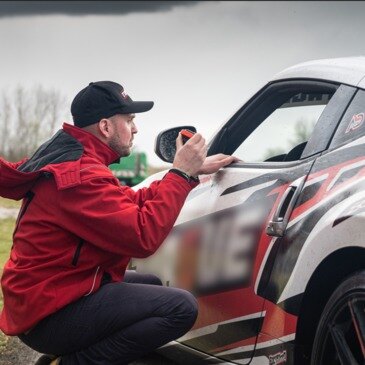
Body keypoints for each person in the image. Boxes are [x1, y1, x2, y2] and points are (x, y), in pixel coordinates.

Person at [0, 81, 237, 365]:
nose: (135, 128)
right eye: (129, 120)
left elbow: (130, 202)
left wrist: (186, 173)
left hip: (46, 298)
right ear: (105, 127)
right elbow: (142, 237)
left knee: (151, 283)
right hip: (47, 315)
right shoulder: (80, 176)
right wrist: (180, 174)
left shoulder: (82, 164)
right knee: (180, 307)